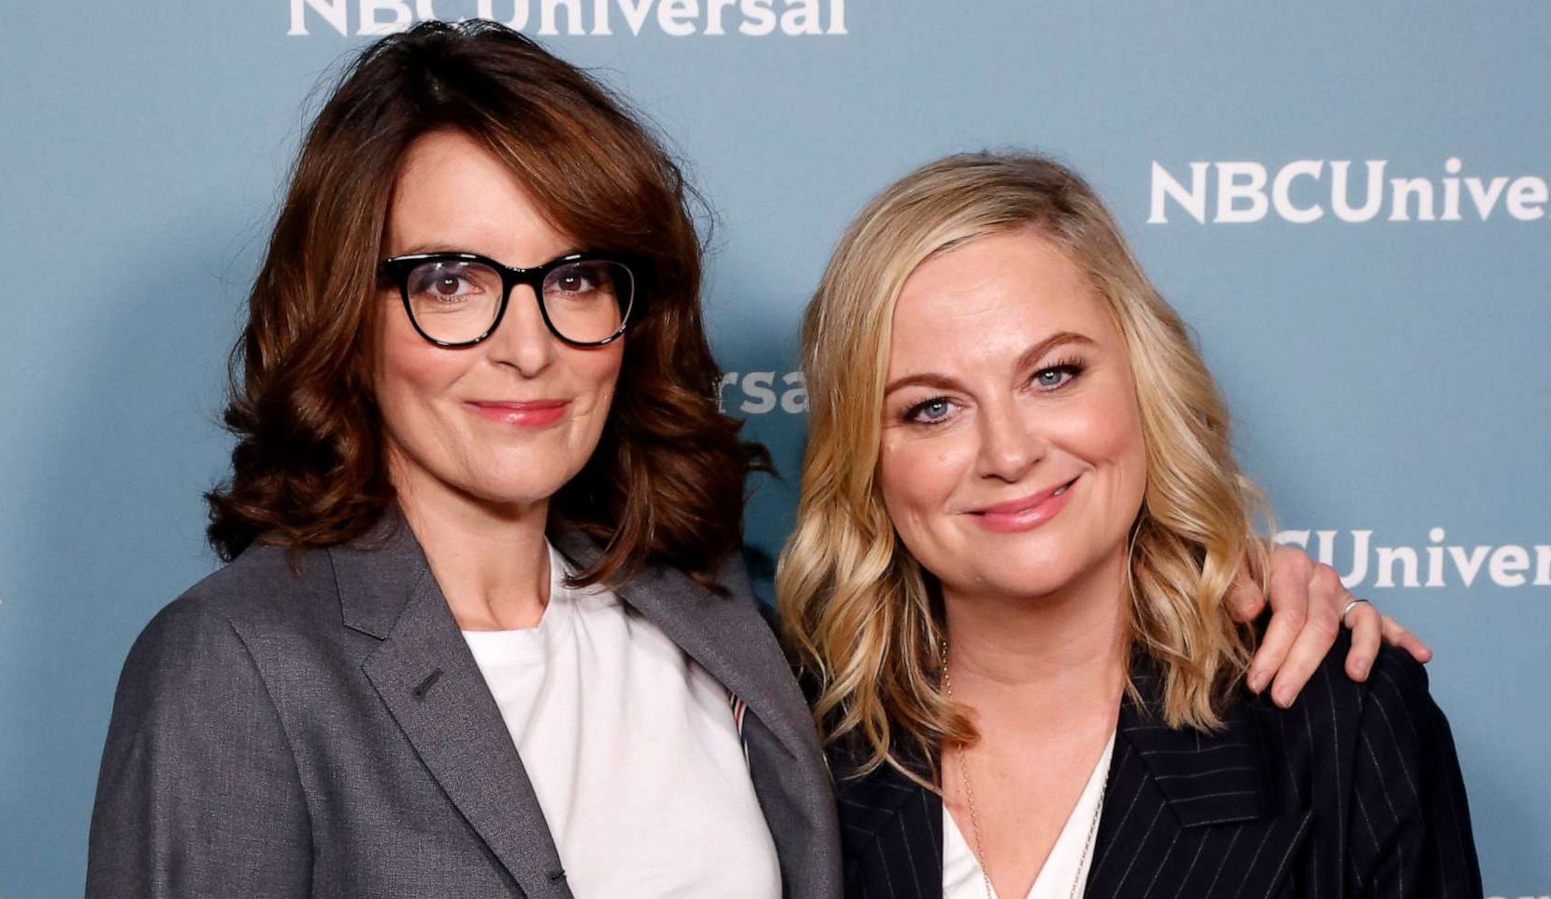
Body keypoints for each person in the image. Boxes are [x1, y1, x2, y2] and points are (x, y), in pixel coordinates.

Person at [87, 20, 1427, 899]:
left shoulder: (717, 628)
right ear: (349, 308)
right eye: (450, 278)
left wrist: (1237, 576)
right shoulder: (238, 663)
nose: (525, 342)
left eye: (575, 277)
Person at [781, 153, 1481, 898]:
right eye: (933, 408)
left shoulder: (1337, 720)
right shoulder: (786, 745)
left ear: (1146, 379)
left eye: (1053, 374)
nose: (1011, 452)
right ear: (864, 456)